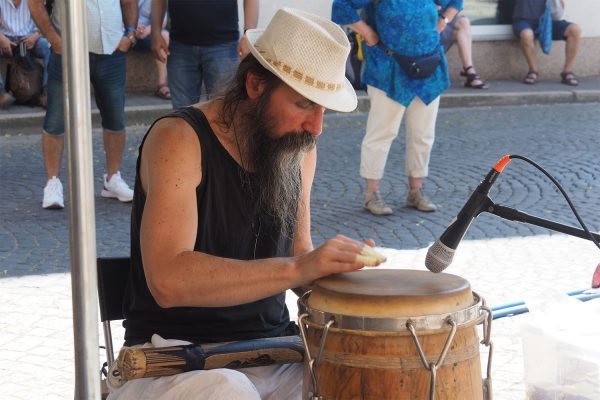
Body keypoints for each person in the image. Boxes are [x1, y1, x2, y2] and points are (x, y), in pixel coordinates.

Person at [107, 8, 383, 399]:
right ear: (255, 85)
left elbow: (299, 254)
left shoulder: (299, 147)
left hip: (272, 352)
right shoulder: (179, 139)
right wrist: (298, 267)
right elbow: (168, 279)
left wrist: (345, 278)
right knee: (229, 392)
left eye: (325, 110)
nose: (317, 127)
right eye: (305, 104)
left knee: (364, 384)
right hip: (171, 358)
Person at [332, 0, 462, 215]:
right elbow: (342, 6)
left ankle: (416, 191)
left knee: (423, 134)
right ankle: (372, 194)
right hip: (388, 69)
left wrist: (443, 20)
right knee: (382, 132)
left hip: (427, 69)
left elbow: (456, 2)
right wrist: (367, 33)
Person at [29, 0, 138, 209]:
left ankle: (113, 178)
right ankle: (53, 182)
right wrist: (55, 41)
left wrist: (130, 34)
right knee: (56, 119)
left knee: (115, 117)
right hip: (69, 51)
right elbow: (34, 4)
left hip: (112, 49)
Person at [151, 0, 258, 108]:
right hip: (180, 46)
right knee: (181, 113)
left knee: (222, 111)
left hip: (223, 46)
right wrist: (155, 33)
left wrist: (248, 34)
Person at [513, 0, 581, 85]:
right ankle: (533, 71)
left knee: (575, 30)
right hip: (524, 21)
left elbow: (560, 11)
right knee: (527, 34)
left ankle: (567, 71)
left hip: (547, 20)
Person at [0, 0, 51, 109]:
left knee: (48, 47)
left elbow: (45, 23)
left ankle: (47, 93)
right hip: (5, 39)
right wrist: (2, 39)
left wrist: (35, 37)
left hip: (29, 39)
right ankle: (1, 94)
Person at [439, 13, 489, 89]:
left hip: (441, 23)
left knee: (464, 22)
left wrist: (444, 20)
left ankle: (469, 69)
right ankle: (469, 71)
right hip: (426, 25)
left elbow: (455, 5)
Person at [133, 0, 170, 100]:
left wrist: (147, 30)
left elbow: (163, 20)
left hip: (147, 32)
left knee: (164, 36)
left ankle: (162, 85)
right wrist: (131, 28)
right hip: (123, 31)